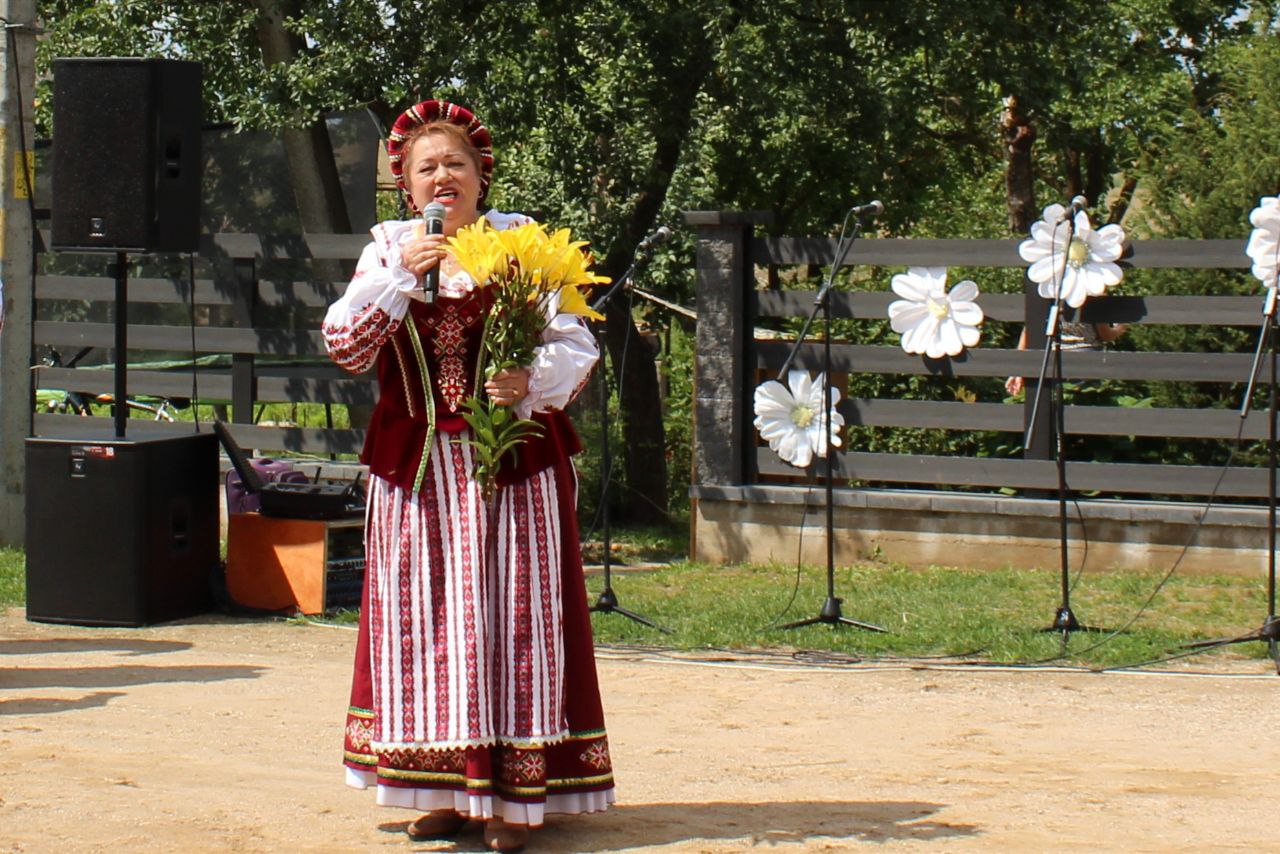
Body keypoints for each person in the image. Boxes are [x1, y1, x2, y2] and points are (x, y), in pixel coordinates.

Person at [322, 99, 614, 853]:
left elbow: (575, 344)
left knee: (508, 620)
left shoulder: (518, 243)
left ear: (482, 176)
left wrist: (531, 379)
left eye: (456, 163)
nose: (442, 176)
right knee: (426, 625)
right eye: (427, 167)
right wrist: (396, 285)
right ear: (406, 188)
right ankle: (439, 789)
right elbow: (347, 348)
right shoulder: (388, 249)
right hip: (417, 469)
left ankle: (510, 801)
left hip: (511, 464)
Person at [1004, 320, 1127, 396]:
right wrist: (1120, 328)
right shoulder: (1093, 288)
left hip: (1052, 362)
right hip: (1086, 361)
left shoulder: (1048, 290)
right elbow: (1105, 335)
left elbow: (1029, 328)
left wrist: (1017, 369)